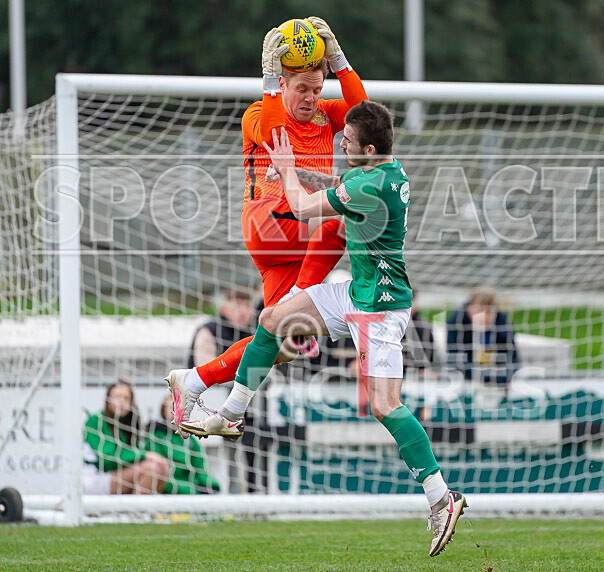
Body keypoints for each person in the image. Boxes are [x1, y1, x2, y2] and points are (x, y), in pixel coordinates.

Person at [179, 101, 466, 556]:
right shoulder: (384, 169)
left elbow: (300, 207)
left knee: (384, 406)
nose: (340, 144)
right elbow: (336, 186)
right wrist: (301, 174)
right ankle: (232, 412)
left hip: (380, 309)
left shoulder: (370, 184)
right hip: (356, 293)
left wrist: (286, 169)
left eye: (347, 141)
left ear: (368, 149)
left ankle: (440, 497)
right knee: (272, 318)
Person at [167, 16, 368, 433]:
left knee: (280, 340)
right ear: (284, 84)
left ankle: (195, 382)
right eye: (301, 89)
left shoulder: (327, 116)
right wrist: (270, 78)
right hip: (270, 223)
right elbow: (277, 134)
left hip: (298, 238)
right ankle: (300, 294)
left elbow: (364, 115)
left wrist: (340, 62)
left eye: (317, 90)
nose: (310, 98)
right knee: (350, 211)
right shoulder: (258, 112)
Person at [83, 380, 170, 494]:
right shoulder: (95, 420)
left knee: (163, 469)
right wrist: (146, 455)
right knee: (151, 469)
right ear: (108, 400)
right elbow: (108, 459)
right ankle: (135, 506)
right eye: (117, 396)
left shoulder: (128, 424)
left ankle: (135, 504)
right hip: (95, 479)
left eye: (126, 398)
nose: (122, 401)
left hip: (119, 477)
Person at [143, 394, 221, 494]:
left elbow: (200, 466)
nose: (175, 412)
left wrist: (211, 485)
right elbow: (157, 472)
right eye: (171, 408)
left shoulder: (189, 439)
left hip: (191, 486)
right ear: (163, 411)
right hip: (167, 487)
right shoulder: (156, 437)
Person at [446, 285, 518, 385]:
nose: (484, 316)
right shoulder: (457, 321)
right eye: (479, 310)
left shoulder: (503, 323)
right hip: (466, 378)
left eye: (488, 312)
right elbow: (454, 360)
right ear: (469, 308)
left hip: (496, 375)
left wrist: (500, 379)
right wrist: (483, 377)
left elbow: (513, 359)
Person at [187, 287, 255, 369]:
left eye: (247, 306)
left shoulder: (254, 332)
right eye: (237, 305)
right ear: (223, 308)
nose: (243, 311)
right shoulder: (209, 331)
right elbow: (205, 368)